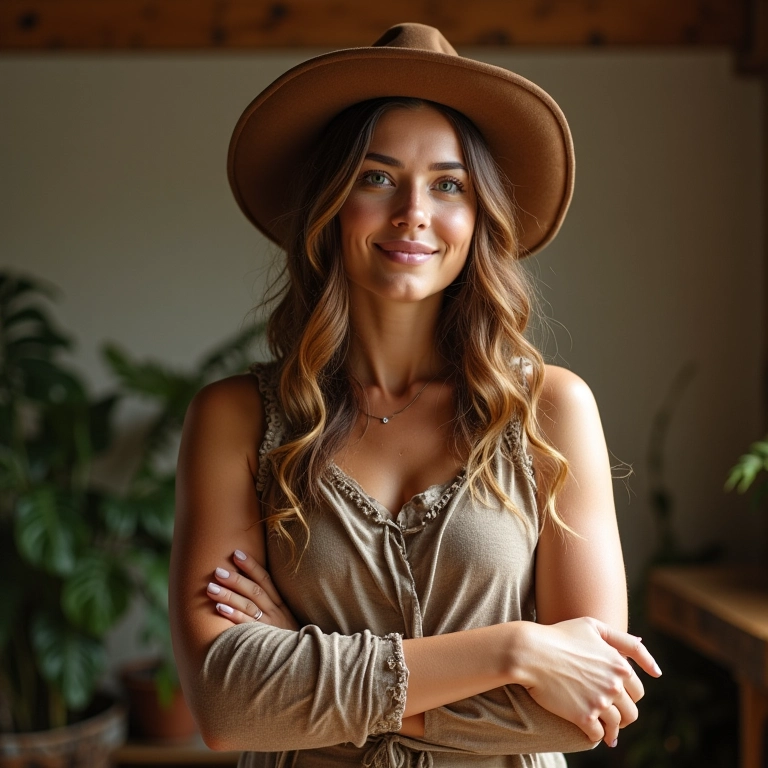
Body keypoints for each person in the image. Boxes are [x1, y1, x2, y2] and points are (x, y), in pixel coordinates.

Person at [169, 22, 661, 768]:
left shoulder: (550, 411)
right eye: (376, 177)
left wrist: (305, 671)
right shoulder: (236, 418)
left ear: (479, 215)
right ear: (331, 205)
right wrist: (514, 650)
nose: (413, 212)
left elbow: (592, 705)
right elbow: (227, 703)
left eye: (449, 184)